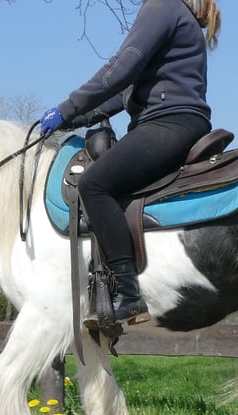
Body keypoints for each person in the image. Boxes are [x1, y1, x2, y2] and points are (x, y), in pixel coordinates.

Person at [39, 0, 221, 325]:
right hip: (179, 121)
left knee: (94, 185)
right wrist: (74, 118)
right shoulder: (176, 12)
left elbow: (119, 69)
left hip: (169, 123)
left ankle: (129, 294)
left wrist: (66, 107)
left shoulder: (162, 6)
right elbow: (125, 91)